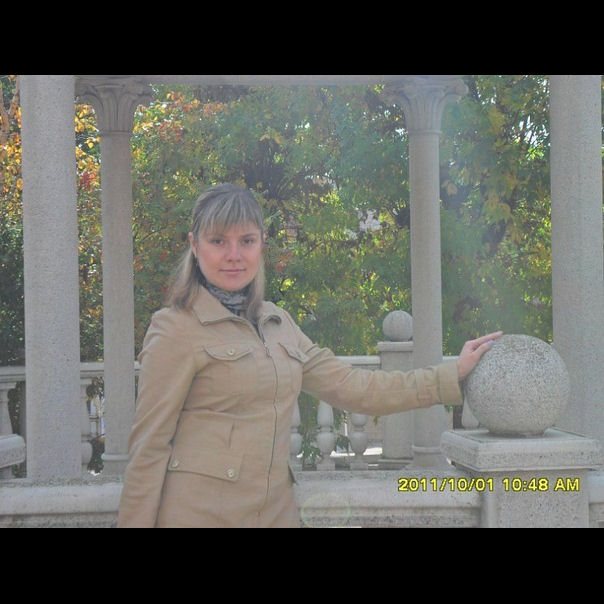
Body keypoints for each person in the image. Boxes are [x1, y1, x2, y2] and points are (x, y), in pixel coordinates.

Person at [117, 183, 502, 528]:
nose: (234, 255)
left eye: (246, 241)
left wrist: (449, 375)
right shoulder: (175, 328)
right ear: (194, 244)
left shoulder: (277, 322)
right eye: (218, 241)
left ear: (262, 244)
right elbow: (149, 448)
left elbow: (353, 387)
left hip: (275, 515)